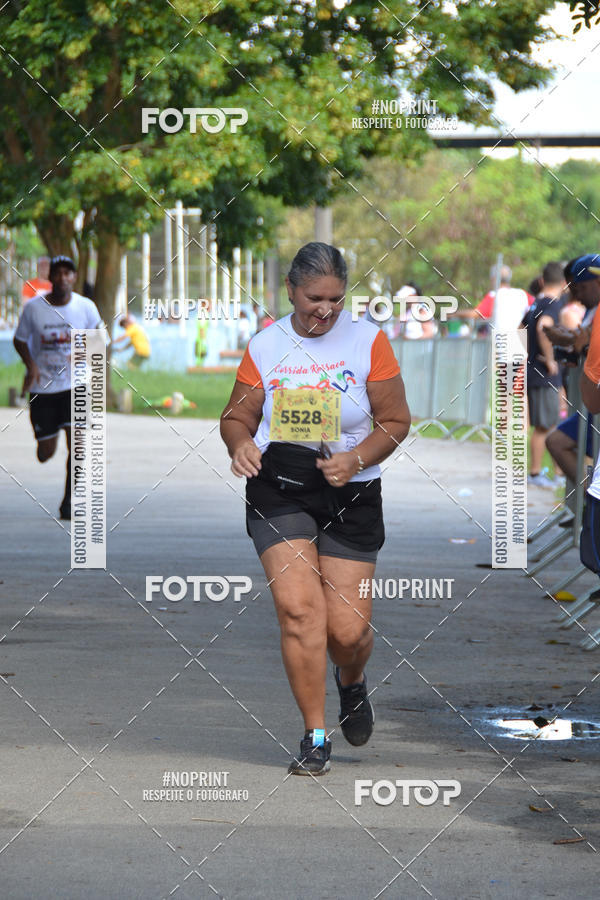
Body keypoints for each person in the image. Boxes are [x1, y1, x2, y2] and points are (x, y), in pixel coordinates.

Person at [220, 242, 411, 776]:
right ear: (290, 290)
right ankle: (315, 734)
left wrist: (356, 458)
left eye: (334, 299)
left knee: (347, 632)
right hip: (281, 487)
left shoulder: (368, 341)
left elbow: (396, 421)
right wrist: (239, 444)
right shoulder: (266, 344)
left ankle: (351, 681)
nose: (325, 310)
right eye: (313, 300)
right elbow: (236, 416)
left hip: (351, 489)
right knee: (300, 611)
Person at [13, 255, 102, 520]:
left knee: (78, 445)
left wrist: (84, 352)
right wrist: (31, 366)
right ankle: (44, 439)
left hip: (76, 384)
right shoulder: (33, 309)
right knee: (46, 452)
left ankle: (69, 501)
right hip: (44, 388)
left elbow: (99, 340)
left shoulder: (86, 307)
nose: (63, 278)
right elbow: (19, 340)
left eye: (68, 273)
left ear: (74, 277)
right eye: (58, 273)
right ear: (50, 277)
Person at [545, 255, 600, 485]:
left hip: (594, 404)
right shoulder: (593, 311)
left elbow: (593, 401)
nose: (577, 296)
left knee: (557, 441)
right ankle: (588, 504)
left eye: (582, 288)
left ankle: (588, 503)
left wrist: (583, 349)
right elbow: (581, 339)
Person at [523, 262, 566, 488]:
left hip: (533, 371)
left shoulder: (535, 304)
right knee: (546, 425)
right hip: (543, 373)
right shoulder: (552, 304)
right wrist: (549, 359)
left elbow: (520, 328)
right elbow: (543, 327)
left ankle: (552, 473)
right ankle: (537, 472)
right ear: (563, 283)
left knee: (548, 423)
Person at [452, 264, 533, 333]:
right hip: (522, 342)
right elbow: (536, 307)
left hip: (501, 342)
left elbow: (475, 314)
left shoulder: (494, 295)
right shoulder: (522, 294)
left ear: (494, 279)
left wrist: (453, 313)